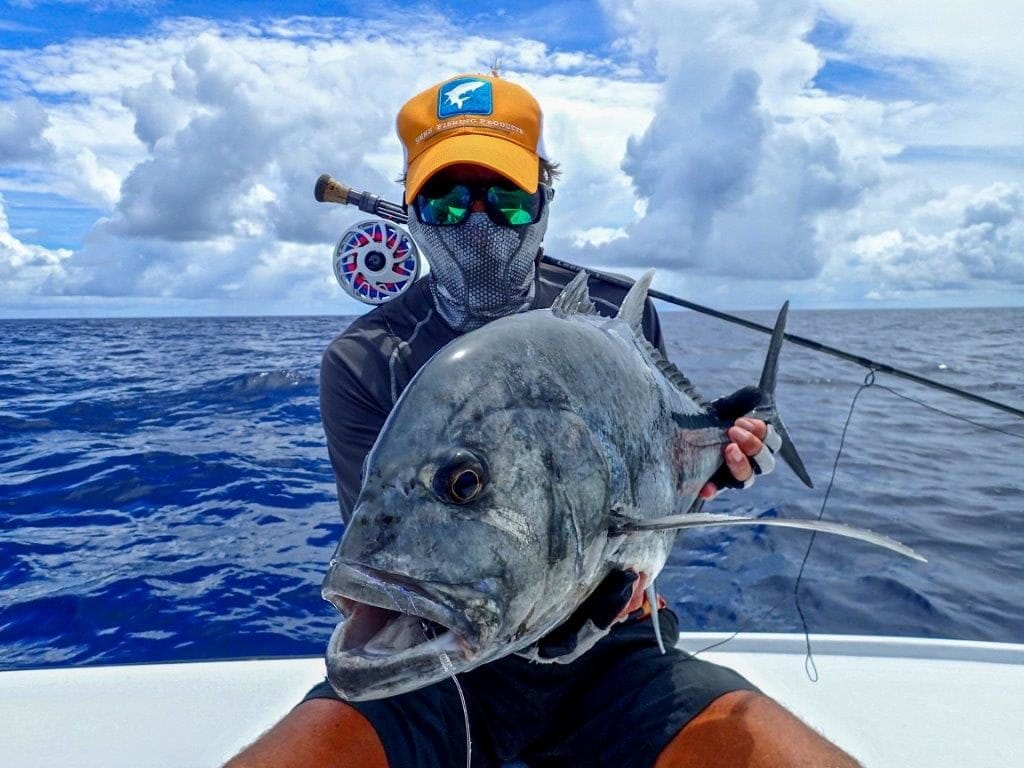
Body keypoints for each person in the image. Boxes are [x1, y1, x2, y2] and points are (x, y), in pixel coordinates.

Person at [227, 73, 861, 767]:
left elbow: (656, 473)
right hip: (436, 661)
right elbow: (397, 551)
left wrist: (724, 459)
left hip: (614, 648)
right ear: (409, 212)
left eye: (505, 200)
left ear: (544, 202)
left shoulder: (616, 318)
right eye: (444, 199)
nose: (477, 224)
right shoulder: (362, 360)